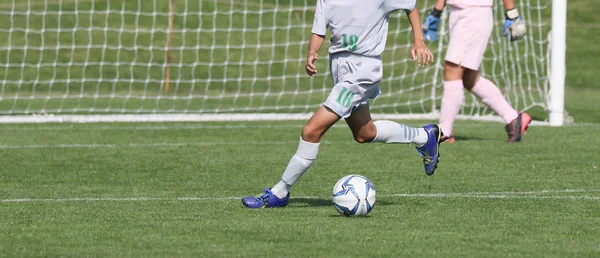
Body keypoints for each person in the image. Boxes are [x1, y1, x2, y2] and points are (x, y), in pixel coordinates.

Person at [242, 0, 443, 209]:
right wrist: (312, 52)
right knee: (365, 133)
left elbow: (410, 5)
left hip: (363, 69)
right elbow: (319, 31)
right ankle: (424, 137)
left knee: (311, 130)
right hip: (339, 66)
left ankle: (280, 192)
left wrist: (419, 40)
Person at [422, 0, 531, 143]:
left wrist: (512, 14)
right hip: (457, 13)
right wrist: (436, 12)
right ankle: (513, 118)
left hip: (474, 13)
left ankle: (444, 132)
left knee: (452, 70)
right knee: (469, 78)